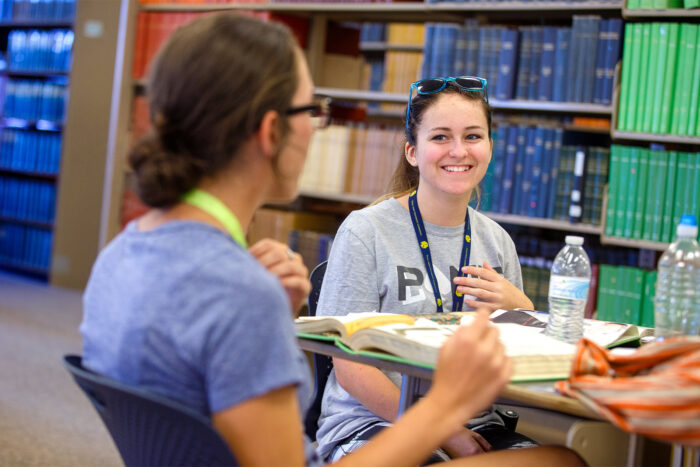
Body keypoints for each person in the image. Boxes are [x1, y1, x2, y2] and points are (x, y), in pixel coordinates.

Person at [80, 13, 583, 467]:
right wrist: (446, 410)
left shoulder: (122, 253)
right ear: (272, 130)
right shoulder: (239, 292)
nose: (317, 128)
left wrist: (271, 317)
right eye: (313, 110)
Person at [315, 77, 539, 462]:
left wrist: (524, 310)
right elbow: (350, 367)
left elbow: (512, 366)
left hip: (477, 426)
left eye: (472, 136)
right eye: (440, 137)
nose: (458, 151)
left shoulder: (497, 241)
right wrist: (440, 430)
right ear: (412, 152)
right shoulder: (365, 231)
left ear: (489, 147)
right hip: (373, 424)